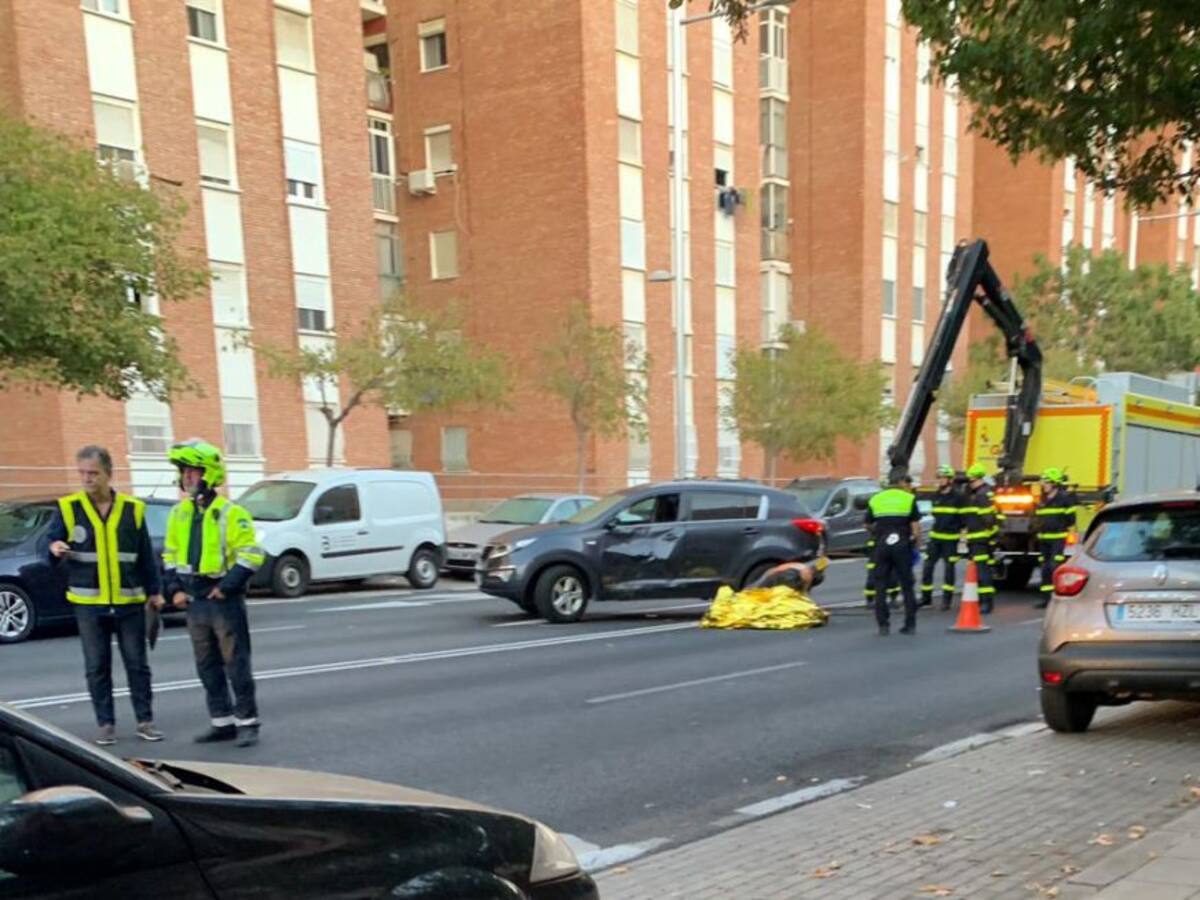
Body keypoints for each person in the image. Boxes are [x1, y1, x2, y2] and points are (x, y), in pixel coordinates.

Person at [44, 445, 164, 745]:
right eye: (82, 473)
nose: (87, 479)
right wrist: (55, 547)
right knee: (97, 666)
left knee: (137, 664)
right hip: (89, 603)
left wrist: (155, 592)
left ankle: (145, 721)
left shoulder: (132, 509)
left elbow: (145, 556)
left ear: (109, 474)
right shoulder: (69, 508)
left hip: (129, 602)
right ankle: (106, 724)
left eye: (93, 473)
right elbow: (52, 541)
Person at [163, 440, 266, 748]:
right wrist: (174, 589)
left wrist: (227, 586)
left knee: (236, 663)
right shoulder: (179, 514)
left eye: (192, 472)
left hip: (223, 597)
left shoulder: (231, 513)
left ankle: (247, 722)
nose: (187, 479)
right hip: (194, 599)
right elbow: (170, 555)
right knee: (206, 664)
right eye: (184, 473)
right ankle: (221, 722)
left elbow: (251, 555)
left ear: (208, 474)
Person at [865, 474, 922, 635]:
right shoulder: (908, 499)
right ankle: (910, 624)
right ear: (901, 483)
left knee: (880, 585)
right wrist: (916, 545)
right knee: (907, 585)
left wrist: (877, 533)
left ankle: (883, 625)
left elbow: (867, 523)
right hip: (902, 546)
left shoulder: (876, 499)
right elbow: (916, 527)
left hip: (882, 545)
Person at [920, 464, 964, 611]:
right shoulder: (936, 496)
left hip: (950, 539)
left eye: (942, 477)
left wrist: (960, 534)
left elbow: (963, 518)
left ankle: (947, 600)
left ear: (950, 479)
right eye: (938, 477)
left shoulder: (958, 497)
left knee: (949, 568)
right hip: (935, 538)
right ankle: (926, 598)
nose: (939, 480)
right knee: (928, 567)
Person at [1033, 467, 1076, 609]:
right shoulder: (1043, 499)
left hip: (1057, 538)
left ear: (1054, 483)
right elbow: (1038, 517)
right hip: (1044, 539)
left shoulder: (1064, 499)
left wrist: (1059, 527)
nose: (1043, 485)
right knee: (1044, 568)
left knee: (1054, 567)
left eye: (1046, 482)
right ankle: (1046, 599)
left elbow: (1070, 519)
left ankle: (1057, 597)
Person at [962, 463, 998, 614]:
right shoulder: (980, 493)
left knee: (983, 571)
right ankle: (984, 600)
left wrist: (988, 537)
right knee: (981, 570)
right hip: (977, 538)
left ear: (978, 479)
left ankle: (986, 602)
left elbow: (988, 519)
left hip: (980, 539)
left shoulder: (982, 495)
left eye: (971, 480)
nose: (970, 483)